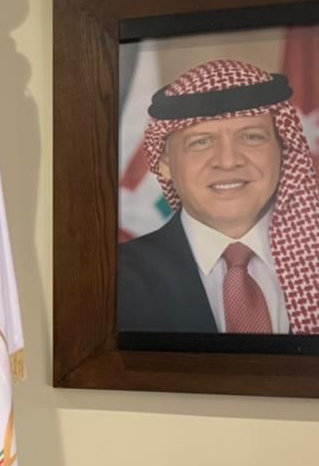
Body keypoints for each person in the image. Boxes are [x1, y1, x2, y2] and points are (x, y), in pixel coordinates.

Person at [118, 58, 319, 335]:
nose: (228, 161)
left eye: (251, 137)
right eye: (201, 141)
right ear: (164, 162)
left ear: (283, 149)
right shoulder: (113, 280)